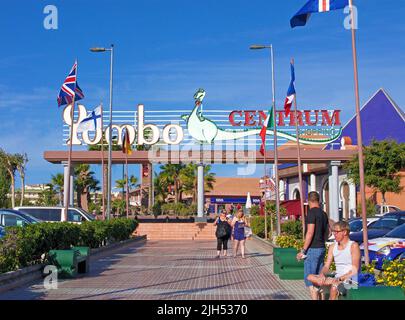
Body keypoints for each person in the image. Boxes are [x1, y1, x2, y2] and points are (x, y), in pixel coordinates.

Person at [307, 221, 361, 300]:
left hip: (351, 281)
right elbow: (326, 266)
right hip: (337, 278)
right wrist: (322, 275)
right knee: (310, 277)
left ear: (345, 232)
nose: (334, 234)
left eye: (337, 232)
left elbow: (355, 271)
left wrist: (339, 279)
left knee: (334, 287)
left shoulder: (353, 246)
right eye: (333, 232)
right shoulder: (332, 247)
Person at [296, 191, 330, 300]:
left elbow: (310, 233)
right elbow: (328, 232)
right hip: (321, 248)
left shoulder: (311, 213)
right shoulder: (324, 214)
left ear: (309, 201)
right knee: (320, 279)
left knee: (311, 280)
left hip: (312, 250)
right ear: (319, 200)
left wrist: (303, 251)